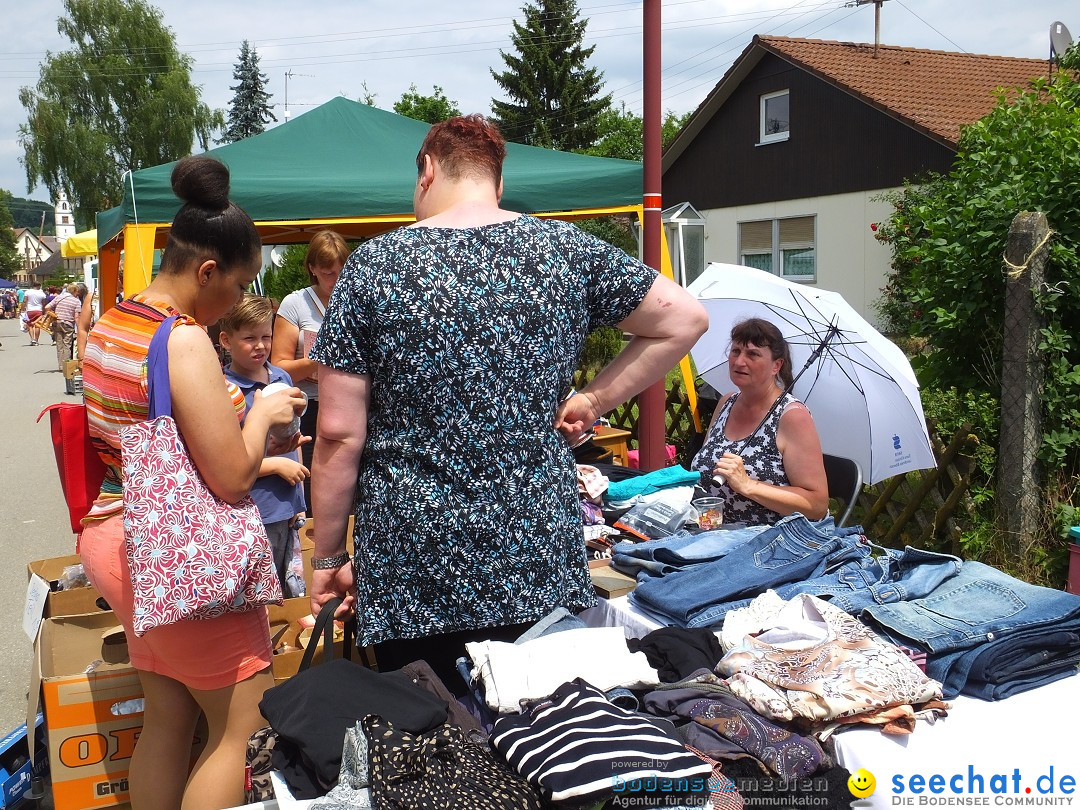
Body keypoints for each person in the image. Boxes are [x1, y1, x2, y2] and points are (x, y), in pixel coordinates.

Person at [308, 114, 708, 685]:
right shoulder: (564, 251)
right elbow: (685, 319)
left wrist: (326, 560)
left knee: (436, 738)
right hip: (533, 546)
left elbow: (339, 434)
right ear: (497, 182)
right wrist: (594, 399)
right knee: (543, 737)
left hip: (415, 553)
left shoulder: (375, 267)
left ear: (426, 170)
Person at [79, 155, 306, 810]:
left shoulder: (115, 321)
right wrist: (262, 411)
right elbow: (233, 478)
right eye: (238, 287)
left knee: (169, 718)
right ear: (207, 271)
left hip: (121, 540)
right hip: (182, 558)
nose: (237, 302)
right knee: (240, 725)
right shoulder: (181, 343)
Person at [690, 317, 829, 526]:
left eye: (753, 354)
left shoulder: (792, 416)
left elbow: (816, 505)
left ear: (776, 365)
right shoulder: (726, 403)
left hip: (769, 542)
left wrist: (748, 485)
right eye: (736, 351)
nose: (739, 362)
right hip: (711, 530)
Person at [220, 293, 309, 598]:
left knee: (290, 587)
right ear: (226, 340)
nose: (260, 345)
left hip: (286, 506)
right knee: (260, 594)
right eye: (249, 338)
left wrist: (300, 502)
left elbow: (289, 441)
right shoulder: (225, 390)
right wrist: (277, 465)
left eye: (266, 336)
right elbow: (225, 463)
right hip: (255, 510)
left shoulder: (281, 377)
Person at [271, 230, 350, 514]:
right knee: (313, 481)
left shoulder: (354, 299)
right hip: (310, 407)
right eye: (329, 273)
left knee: (347, 484)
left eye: (342, 271)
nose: (337, 280)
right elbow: (278, 368)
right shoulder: (296, 303)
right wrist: (320, 360)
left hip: (349, 404)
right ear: (312, 269)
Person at [45, 282, 81, 372]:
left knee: (59, 345)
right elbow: (76, 317)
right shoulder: (76, 301)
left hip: (57, 322)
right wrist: (80, 328)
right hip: (68, 324)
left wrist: (54, 314)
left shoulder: (59, 297)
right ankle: (67, 366)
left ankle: (61, 366)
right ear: (75, 291)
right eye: (77, 292)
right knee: (67, 345)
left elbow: (47, 307)